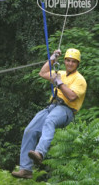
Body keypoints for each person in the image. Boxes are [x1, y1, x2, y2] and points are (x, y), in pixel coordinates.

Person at [12, 48, 87, 179]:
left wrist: (59, 83)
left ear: (77, 64)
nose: (70, 64)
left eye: (73, 62)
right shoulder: (61, 73)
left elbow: (72, 97)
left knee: (50, 120)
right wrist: (52, 59)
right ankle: (26, 169)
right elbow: (43, 73)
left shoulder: (80, 80)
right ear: (64, 61)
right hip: (52, 107)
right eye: (68, 60)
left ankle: (40, 153)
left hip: (66, 110)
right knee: (30, 130)